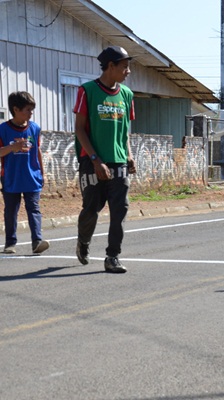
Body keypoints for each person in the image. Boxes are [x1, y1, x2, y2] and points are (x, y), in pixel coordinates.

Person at [73, 46, 137, 273]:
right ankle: (84, 241)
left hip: (118, 161)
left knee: (120, 209)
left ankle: (112, 256)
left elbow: (125, 131)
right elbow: (79, 129)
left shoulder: (127, 95)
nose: (128, 71)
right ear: (111, 66)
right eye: (124, 66)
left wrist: (128, 154)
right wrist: (94, 159)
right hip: (91, 161)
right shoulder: (87, 91)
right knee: (92, 208)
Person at [0, 92, 50, 255]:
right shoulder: (3, 129)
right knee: (11, 211)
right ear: (15, 109)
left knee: (34, 209)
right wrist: (11, 148)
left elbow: (37, 152)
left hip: (32, 177)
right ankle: (10, 243)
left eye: (32, 110)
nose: (31, 113)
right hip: (11, 178)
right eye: (27, 110)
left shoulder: (34, 128)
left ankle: (37, 241)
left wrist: (42, 173)